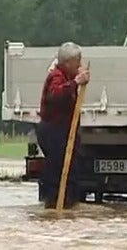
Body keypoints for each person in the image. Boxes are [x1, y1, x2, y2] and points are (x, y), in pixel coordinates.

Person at [36, 42, 90, 209]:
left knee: (72, 171)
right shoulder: (56, 76)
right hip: (53, 131)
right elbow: (55, 94)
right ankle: (54, 205)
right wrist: (76, 82)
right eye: (77, 62)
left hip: (65, 131)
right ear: (67, 63)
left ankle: (69, 205)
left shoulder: (65, 76)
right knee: (57, 171)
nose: (80, 65)